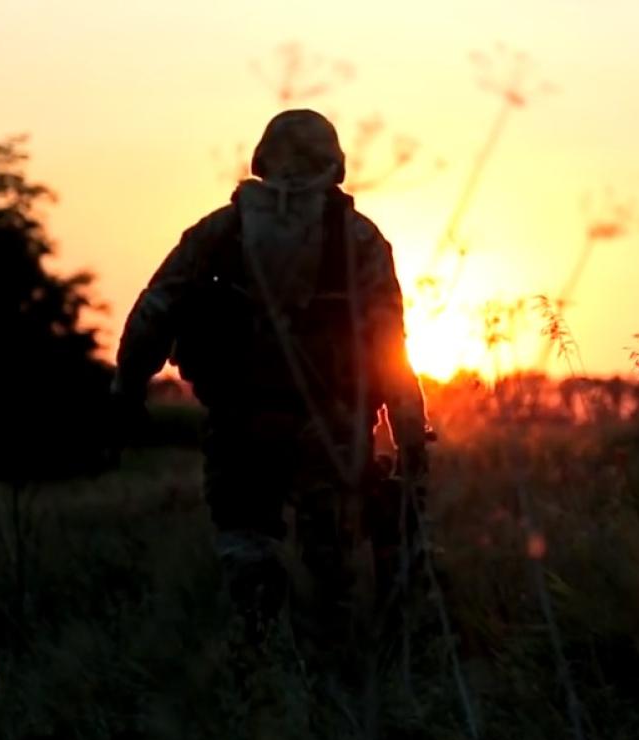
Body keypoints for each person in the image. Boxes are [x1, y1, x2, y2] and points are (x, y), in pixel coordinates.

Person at [110, 109, 429, 642]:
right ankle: (329, 665)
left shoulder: (221, 230)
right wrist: (411, 436)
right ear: (335, 164)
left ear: (262, 160)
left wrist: (127, 389)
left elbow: (155, 310)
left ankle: (257, 645)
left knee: (244, 537)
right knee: (330, 563)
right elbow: (389, 347)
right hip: (332, 426)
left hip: (241, 421)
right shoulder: (360, 239)